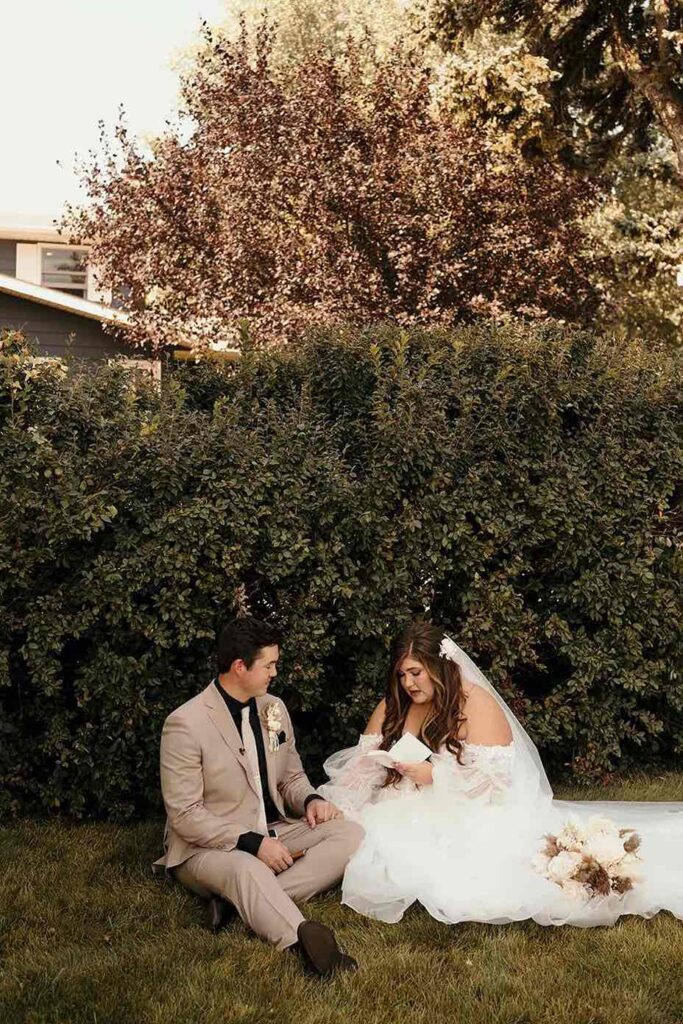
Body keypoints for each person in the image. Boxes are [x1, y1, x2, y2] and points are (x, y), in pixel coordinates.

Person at [319, 620, 683, 927]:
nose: (409, 683)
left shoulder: (475, 703)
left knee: (450, 870)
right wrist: (339, 801)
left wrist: (432, 775)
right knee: (365, 834)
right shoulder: (395, 705)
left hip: (466, 810)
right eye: (402, 675)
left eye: (416, 672)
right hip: (400, 802)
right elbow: (362, 767)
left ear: (440, 667)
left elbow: (495, 782)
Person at [155, 616, 363, 976]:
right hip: (206, 848)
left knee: (350, 834)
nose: (274, 673)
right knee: (247, 867)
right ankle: (306, 945)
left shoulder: (273, 709)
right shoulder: (185, 724)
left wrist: (311, 800)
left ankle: (236, 905)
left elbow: (291, 776)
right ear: (239, 667)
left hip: (273, 828)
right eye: (269, 664)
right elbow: (186, 816)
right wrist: (252, 843)